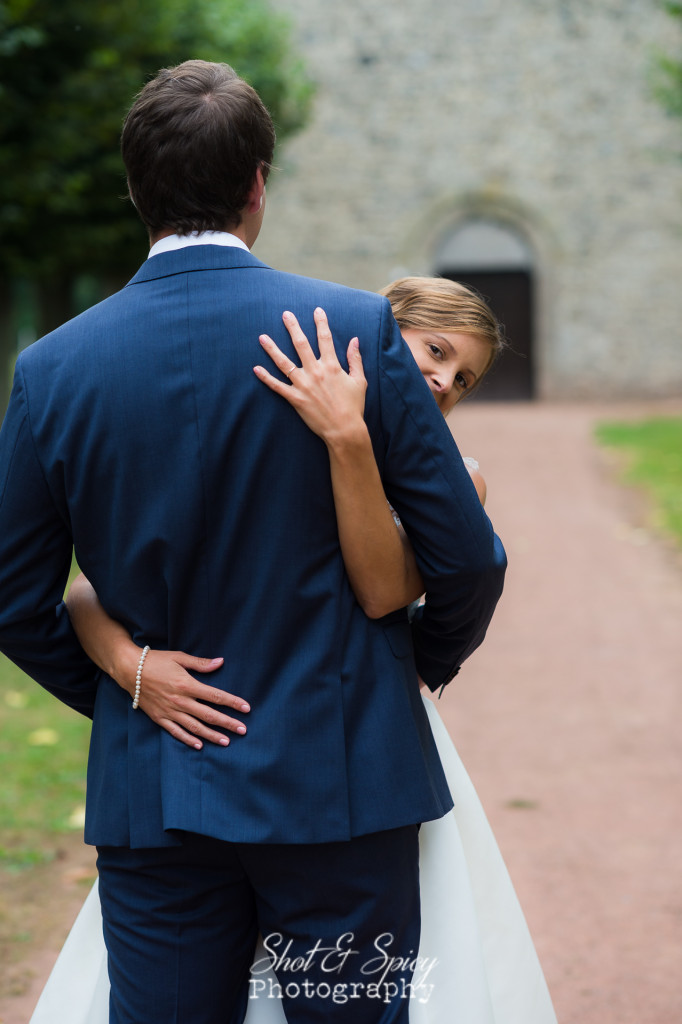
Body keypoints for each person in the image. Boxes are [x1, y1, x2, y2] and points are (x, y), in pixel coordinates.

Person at [0, 60, 506, 1023]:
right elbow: (468, 558)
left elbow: (11, 596)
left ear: (135, 187)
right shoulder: (352, 329)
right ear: (258, 184)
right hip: (343, 787)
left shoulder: (52, 369)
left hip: (157, 798)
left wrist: (133, 691)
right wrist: (408, 666)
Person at [30, 278, 556, 1023]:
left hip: (345, 757)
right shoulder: (265, 426)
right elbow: (96, 589)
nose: (443, 381)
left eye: (462, 378)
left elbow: (382, 590)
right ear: (377, 332)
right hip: (208, 753)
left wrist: (350, 440)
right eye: (434, 352)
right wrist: (131, 668)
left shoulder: (453, 479)